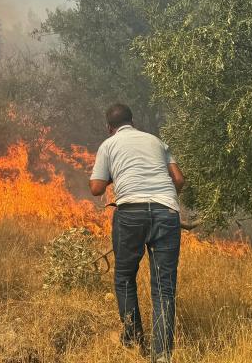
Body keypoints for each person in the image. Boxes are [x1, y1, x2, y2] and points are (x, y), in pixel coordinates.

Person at [90, 103, 185, 363]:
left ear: (109, 127)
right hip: (167, 212)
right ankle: (162, 355)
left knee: (124, 277)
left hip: (131, 213)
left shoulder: (108, 145)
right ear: (133, 121)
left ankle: (132, 340)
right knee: (164, 288)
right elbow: (178, 179)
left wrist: (115, 174)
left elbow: (96, 187)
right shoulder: (156, 141)